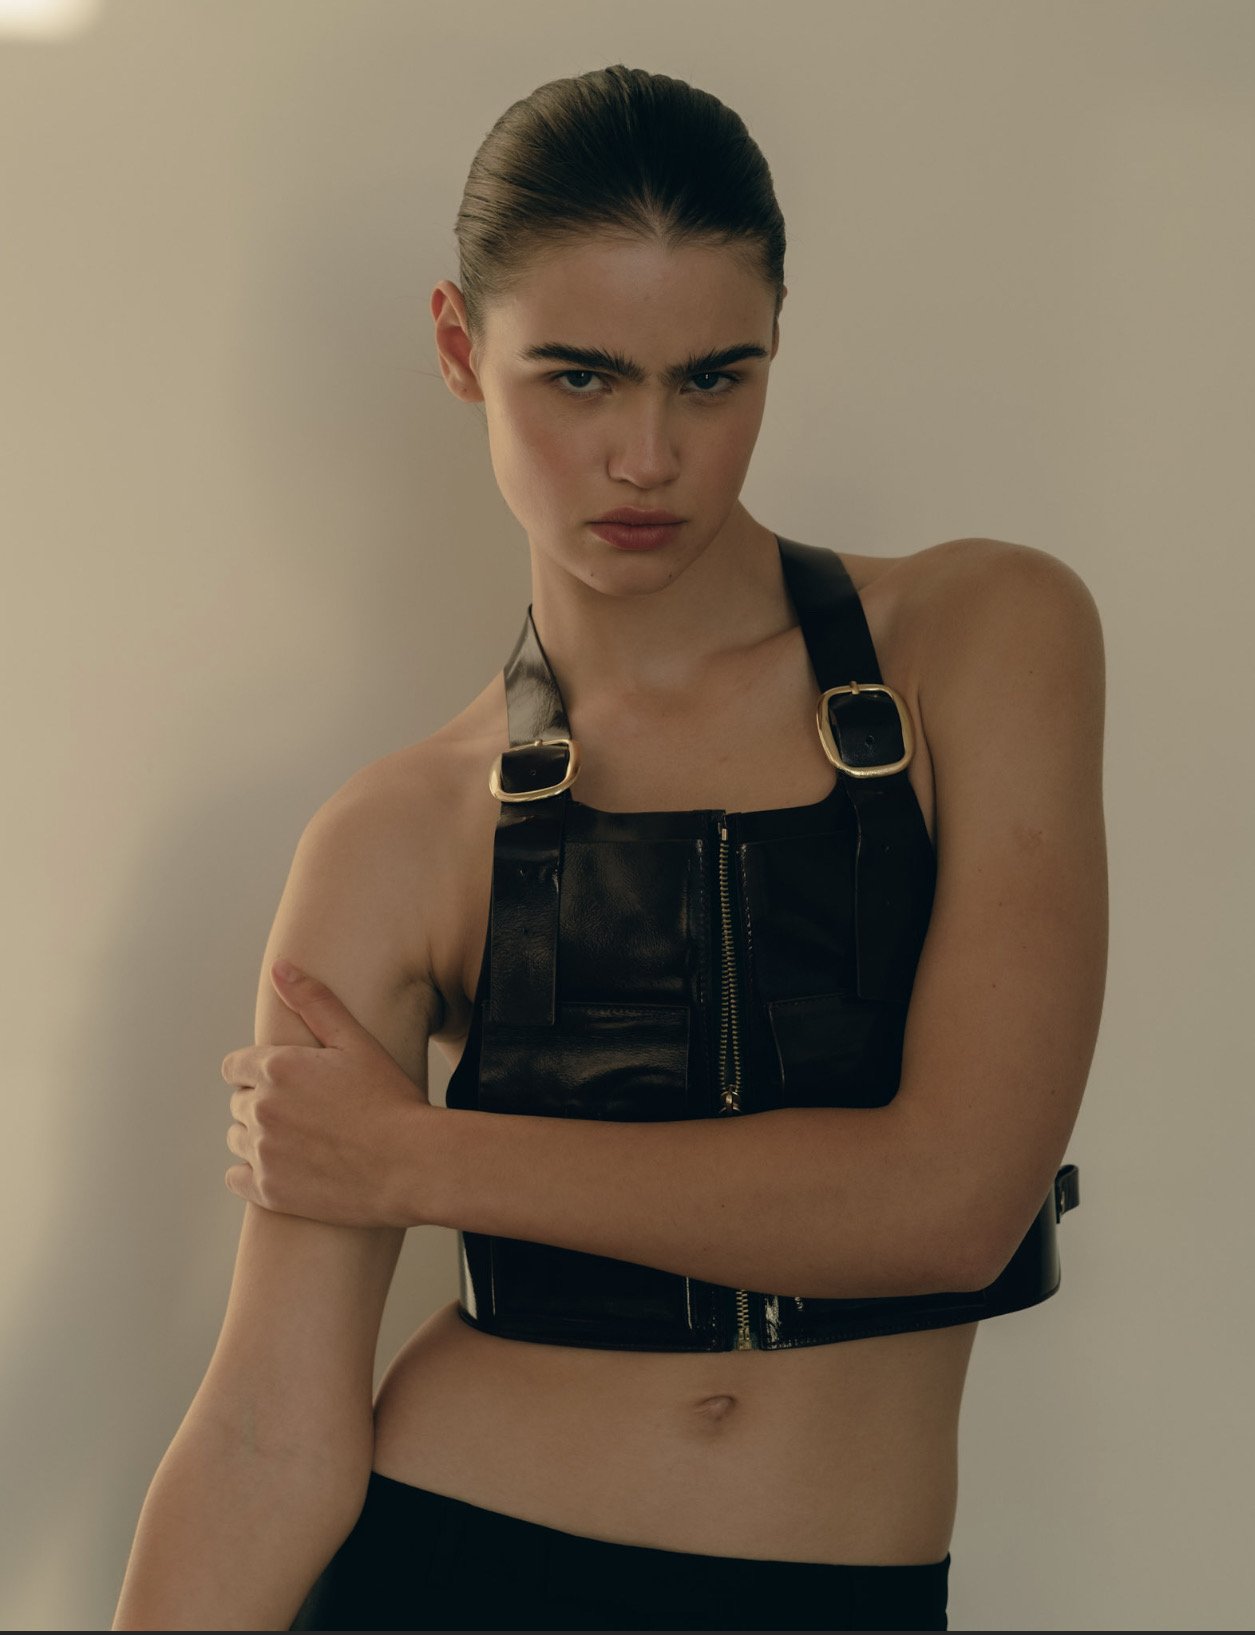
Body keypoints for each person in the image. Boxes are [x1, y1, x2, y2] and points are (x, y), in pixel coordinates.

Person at [111, 64, 1108, 1634]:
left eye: (711, 378)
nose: (648, 455)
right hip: (450, 1574)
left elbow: (951, 1203)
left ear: (774, 344)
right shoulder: (395, 835)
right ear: (460, 349)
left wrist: (417, 1160)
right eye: (578, 378)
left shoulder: (979, 637)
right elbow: (263, 1433)